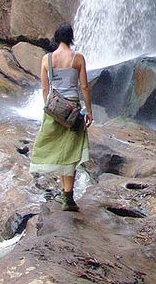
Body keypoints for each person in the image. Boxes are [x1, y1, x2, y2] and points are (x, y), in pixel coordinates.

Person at [29, 22, 93, 212]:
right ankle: (68, 196)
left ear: (56, 38)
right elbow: (84, 87)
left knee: (58, 150)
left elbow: (44, 88)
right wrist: (88, 110)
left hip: (55, 109)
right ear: (71, 38)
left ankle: (65, 194)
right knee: (70, 152)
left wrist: (48, 107)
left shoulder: (46, 59)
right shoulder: (78, 59)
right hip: (73, 110)